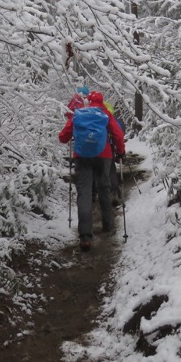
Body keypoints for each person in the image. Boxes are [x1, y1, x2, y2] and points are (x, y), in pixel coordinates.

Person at [59, 91, 125, 251]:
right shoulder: (106, 114)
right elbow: (118, 134)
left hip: (82, 156)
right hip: (104, 155)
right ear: (102, 101)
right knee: (104, 188)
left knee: (84, 193)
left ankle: (85, 236)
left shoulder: (79, 114)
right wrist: (121, 152)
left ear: (88, 101)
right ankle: (108, 225)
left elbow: (62, 137)